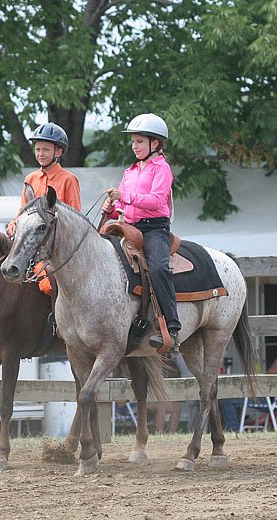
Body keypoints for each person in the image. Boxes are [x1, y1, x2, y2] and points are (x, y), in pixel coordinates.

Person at [101, 113, 179, 355]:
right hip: (131, 226)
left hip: (155, 228)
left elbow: (156, 201)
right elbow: (125, 207)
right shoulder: (131, 171)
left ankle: (172, 326)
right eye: (133, 142)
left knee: (158, 268)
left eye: (139, 142)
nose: (134, 146)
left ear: (154, 144)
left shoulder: (162, 169)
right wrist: (112, 209)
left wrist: (123, 196)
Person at [6, 122, 81, 238]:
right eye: (38, 149)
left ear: (58, 152)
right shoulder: (30, 178)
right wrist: (13, 223)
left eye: (46, 150)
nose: (40, 154)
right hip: (32, 240)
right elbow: (23, 211)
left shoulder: (69, 179)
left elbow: (75, 218)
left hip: (59, 241)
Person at [221, 336, 277, 431]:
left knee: (227, 399)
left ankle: (233, 429)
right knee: (237, 398)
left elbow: (265, 379)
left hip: (269, 400)